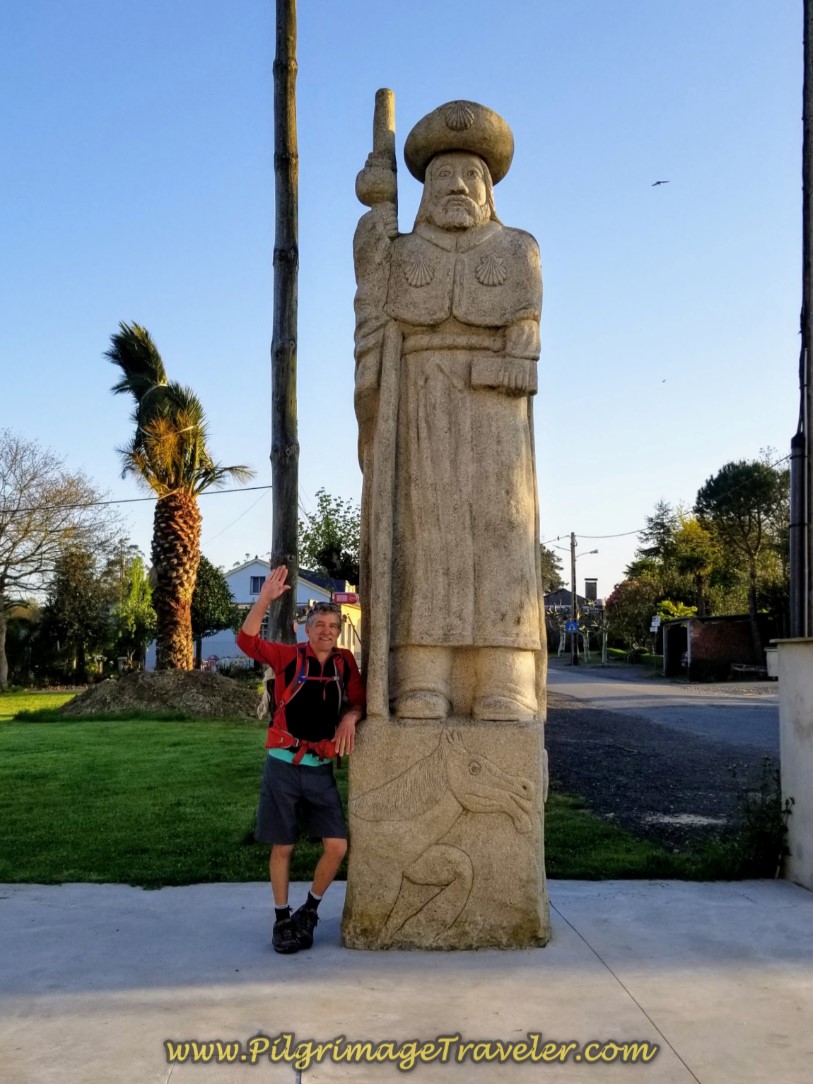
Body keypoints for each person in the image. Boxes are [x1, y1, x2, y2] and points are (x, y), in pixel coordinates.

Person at [353, 99, 545, 722]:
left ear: (489, 189)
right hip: (423, 398)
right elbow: (373, 297)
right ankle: (423, 677)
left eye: (470, 177)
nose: (457, 186)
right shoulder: (402, 250)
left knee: (502, 532)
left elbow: (527, 327)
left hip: (495, 413)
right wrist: (373, 220)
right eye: (442, 178)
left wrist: (520, 343)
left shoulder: (518, 249)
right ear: (425, 192)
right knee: (424, 536)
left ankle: (503, 676)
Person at [236, 566, 365, 954]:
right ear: (307, 630)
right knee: (283, 847)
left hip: (320, 768)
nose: (326, 631)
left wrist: (350, 716)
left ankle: (308, 911)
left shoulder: (344, 664)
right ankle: (281, 918)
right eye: (319, 624)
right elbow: (247, 642)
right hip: (283, 765)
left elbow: (359, 701)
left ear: (339, 631)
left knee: (337, 845)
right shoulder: (289, 657)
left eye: (332, 625)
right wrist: (264, 600)